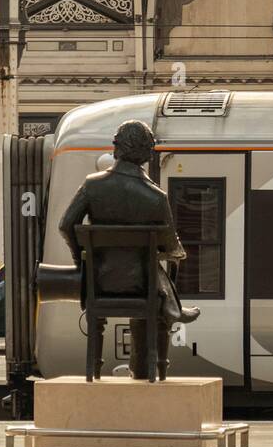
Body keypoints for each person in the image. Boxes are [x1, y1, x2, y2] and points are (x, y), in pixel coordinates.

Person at [58, 119, 199, 380]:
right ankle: (170, 315)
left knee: (152, 274)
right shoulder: (155, 197)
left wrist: (82, 260)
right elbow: (170, 246)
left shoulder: (92, 185)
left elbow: (66, 225)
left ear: (118, 149)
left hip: (99, 282)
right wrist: (175, 252)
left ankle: (94, 371)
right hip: (140, 286)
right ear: (144, 154)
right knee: (156, 276)